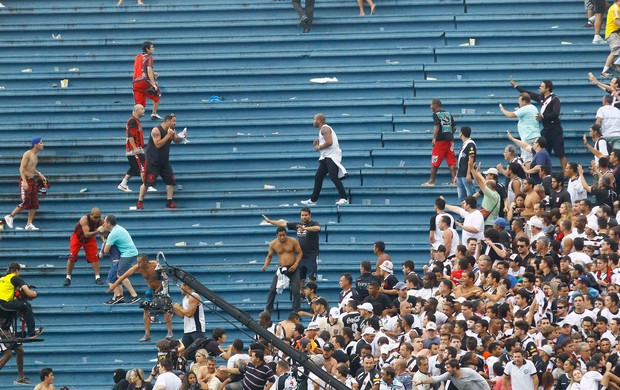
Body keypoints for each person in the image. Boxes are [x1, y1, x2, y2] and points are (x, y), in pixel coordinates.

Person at [107, 253, 173, 342]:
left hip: (161, 288)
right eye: (137, 262)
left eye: (140, 262)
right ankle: (147, 334)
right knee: (146, 309)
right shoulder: (137, 267)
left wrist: (159, 289)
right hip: (151, 289)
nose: (138, 264)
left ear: (146, 261)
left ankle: (170, 332)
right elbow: (124, 276)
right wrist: (113, 286)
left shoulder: (155, 265)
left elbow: (166, 279)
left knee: (166, 309)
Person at [510, 77, 566, 169]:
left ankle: (566, 174)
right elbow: (529, 94)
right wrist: (516, 86)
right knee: (542, 152)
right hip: (545, 130)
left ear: (547, 88)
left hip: (555, 130)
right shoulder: (541, 98)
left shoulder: (554, 99)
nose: (539, 88)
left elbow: (556, 114)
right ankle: (542, 172)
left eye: (542, 86)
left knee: (561, 154)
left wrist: (543, 116)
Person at [262, 207, 321, 288]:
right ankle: (302, 295)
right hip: (301, 255)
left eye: (306, 215)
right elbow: (283, 224)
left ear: (310, 215)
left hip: (311, 255)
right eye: (302, 215)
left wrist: (305, 228)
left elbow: (318, 228)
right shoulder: (297, 225)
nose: (304, 217)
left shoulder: (313, 223)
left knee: (312, 277)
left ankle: (311, 296)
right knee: (300, 278)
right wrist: (270, 221)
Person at [136, 113, 183, 210]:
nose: (175, 123)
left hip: (164, 161)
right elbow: (158, 144)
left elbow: (176, 140)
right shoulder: (156, 130)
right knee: (147, 183)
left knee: (171, 181)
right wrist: (168, 135)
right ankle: (139, 203)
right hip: (153, 161)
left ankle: (169, 202)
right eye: (173, 121)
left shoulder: (172, 130)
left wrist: (182, 137)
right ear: (167, 121)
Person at [301, 113, 349, 206]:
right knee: (318, 177)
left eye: (314, 119)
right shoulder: (322, 130)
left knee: (333, 177)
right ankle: (313, 200)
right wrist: (318, 146)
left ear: (319, 121)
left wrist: (318, 147)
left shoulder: (325, 129)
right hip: (326, 157)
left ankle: (344, 198)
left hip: (331, 156)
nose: (313, 121)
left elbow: (329, 142)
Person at [4, 137, 46, 231]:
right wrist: (24, 182)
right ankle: (10, 216)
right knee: (26, 201)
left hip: (32, 180)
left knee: (34, 203)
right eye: (41, 143)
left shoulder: (35, 155)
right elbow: (21, 168)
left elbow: (30, 168)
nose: (42, 144)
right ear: (35, 144)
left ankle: (29, 224)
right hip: (25, 180)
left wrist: (38, 173)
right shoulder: (28, 154)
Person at [101, 215, 140, 304]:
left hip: (128, 254)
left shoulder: (113, 234)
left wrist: (104, 244)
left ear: (108, 223)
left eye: (105, 222)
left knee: (121, 275)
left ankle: (134, 295)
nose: (103, 224)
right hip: (130, 252)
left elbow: (106, 251)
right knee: (119, 275)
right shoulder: (118, 228)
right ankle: (119, 297)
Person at [263, 227, 303, 314]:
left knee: (296, 290)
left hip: (293, 268)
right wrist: (266, 265)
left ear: (286, 234)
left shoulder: (292, 241)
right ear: (277, 235)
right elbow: (269, 256)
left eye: (284, 235)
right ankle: (268, 309)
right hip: (282, 269)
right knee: (272, 289)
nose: (282, 237)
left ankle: (296, 310)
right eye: (280, 235)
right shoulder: (273, 244)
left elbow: (300, 253)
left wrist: (296, 264)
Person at [0, 263, 43, 339]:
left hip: (2, 306)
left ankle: (5, 327)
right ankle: (32, 332)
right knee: (26, 305)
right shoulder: (15, 278)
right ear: (17, 270)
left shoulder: (2, 278)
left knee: (15, 306)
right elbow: (29, 294)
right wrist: (35, 293)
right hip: (4, 304)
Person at [64, 207, 105, 286]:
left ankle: (97, 277)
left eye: (99, 217)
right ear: (91, 215)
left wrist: (104, 238)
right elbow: (86, 234)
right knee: (72, 256)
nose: (97, 219)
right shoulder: (84, 219)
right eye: (95, 217)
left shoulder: (101, 220)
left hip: (90, 238)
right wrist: (98, 231)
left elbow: (105, 230)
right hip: (78, 237)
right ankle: (68, 277)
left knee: (94, 257)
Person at [422, 99, 457, 187]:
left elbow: (437, 126)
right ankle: (454, 181)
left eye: (431, 105)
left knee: (435, 159)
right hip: (450, 140)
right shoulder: (448, 113)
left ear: (436, 105)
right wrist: (449, 134)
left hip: (441, 140)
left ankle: (431, 181)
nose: (430, 107)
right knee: (451, 160)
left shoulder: (436, 114)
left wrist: (434, 138)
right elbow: (455, 128)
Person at [499, 93, 541, 163]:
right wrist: (519, 110)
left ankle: (528, 173)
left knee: (527, 159)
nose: (518, 102)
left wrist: (502, 110)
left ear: (524, 102)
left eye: (520, 101)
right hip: (535, 136)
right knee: (534, 158)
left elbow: (511, 115)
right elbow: (526, 117)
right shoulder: (533, 107)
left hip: (528, 137)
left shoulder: (525, 108)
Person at [118, 104, 147, 193]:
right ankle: (147, 185)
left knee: (134, 169)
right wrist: (135, 148)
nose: (144, 111)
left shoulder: (135, 121)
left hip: (136, 149)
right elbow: (130, 136)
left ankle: (123, 184)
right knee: (143, 166)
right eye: (142, 109)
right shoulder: (132, 121)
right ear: (136, 110)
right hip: (134, 150)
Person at [413, 359, 490, 389]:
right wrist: (422, 382)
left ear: (455, 368)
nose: (446, 369)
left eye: (448, 367)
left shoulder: (469, 372)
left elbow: (482, 381)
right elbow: (436, 378)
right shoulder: (449, 374)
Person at [133, 41, 161, 121]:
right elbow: (148, 70)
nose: (153, 48)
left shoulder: (138, 57)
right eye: (152, 47)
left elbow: (141, 69)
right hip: (144, 81)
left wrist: (153, 73)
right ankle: (154, 113)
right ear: (147, 49)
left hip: (135, 83)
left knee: (138, 105)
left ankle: (134, 119)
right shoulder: (149, 58)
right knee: (158, 94)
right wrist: (153, 83)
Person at [172, 282, 206, 349]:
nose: (180, 288)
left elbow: (190, 314)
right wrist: (174, 309)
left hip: (196, 328)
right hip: (187, 330)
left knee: (200, 350)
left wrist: (179, 308)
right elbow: (183, 315)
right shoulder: (184, 299)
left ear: (186, 286)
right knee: (185, 351)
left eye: (181, 286)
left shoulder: (194, 296)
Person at [455, 126, 476, 200]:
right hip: (460, 174)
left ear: (461, 133)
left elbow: (471, 160)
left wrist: (468, 174)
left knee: (470, 197)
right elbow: (461, 161)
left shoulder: (471, 144)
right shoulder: (464, 144)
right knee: (462, 198)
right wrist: (457, 174)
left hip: (466, 175)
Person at [602, 0, 620, 77]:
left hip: (615, 33)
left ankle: (616, 63)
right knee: (614, 51)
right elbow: (616, 21)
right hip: (613, 34)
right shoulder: (615, 8)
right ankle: (604, 71)